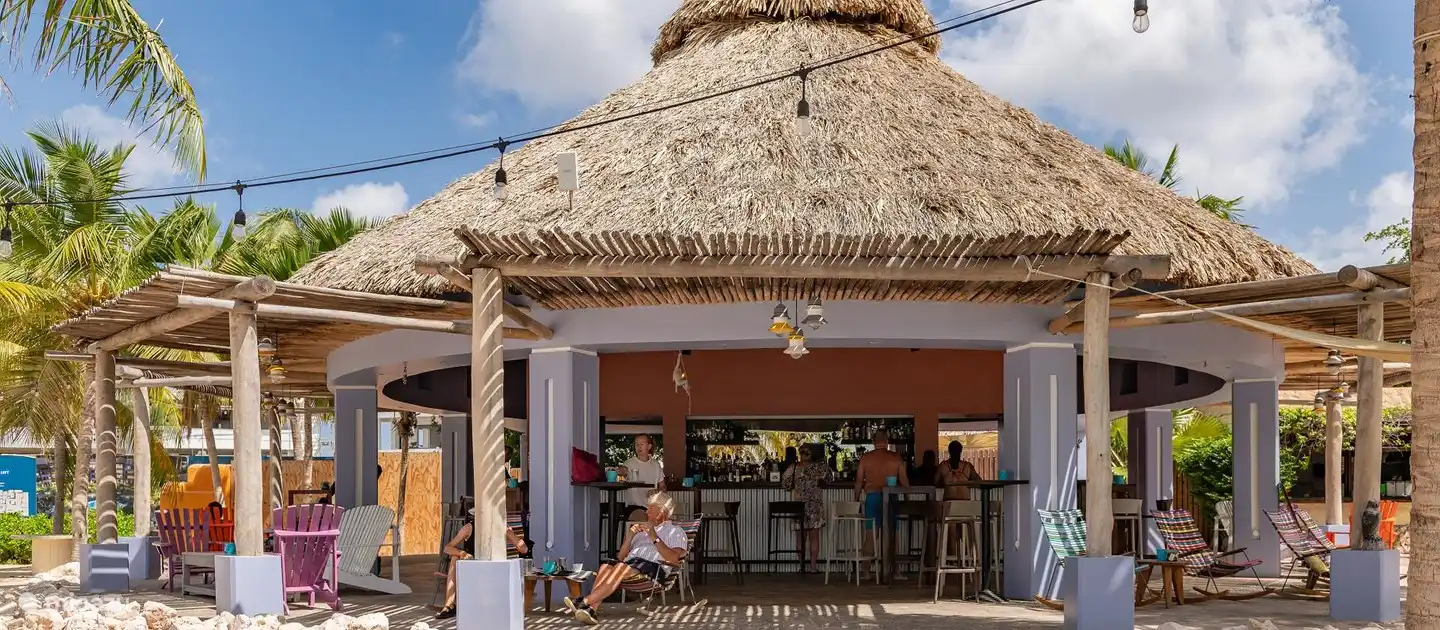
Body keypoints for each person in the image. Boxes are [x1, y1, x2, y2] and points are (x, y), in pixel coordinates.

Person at [564, 492, 687, 625]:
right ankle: (591, 610)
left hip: (654, 568)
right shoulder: (641, 531)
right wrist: (629, 536)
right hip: (631, 564)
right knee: (605, 567)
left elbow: (674, 558)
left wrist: (654, 537)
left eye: (651, 508)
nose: (646, 511)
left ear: (662, 510)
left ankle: (584, 601)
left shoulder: (676, 531)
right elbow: (621, 557)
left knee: (621, 567)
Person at [435, 508, 530, 619]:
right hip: (473, 567)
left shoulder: (500, 528)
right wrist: (461, 553)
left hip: (494, 568)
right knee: (454, 558)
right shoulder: (469, 528)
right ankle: (449, 605)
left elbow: (524, 549)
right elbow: (447, 548)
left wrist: (509, 533)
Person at [855, 430, 909, 577]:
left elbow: (859, 481)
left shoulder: (866, 458)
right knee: (892, 534)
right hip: (891, 498)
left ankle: (866, 571)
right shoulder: (896, 458)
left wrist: (856, 500)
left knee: (871, 535)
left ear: (873, 442)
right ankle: (895, 571)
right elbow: (904, 481)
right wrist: (907, 499)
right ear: (887, 442)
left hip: (872, 497)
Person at [781, 444, 826, 573]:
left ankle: (801, 566)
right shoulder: (819, 468)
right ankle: (813, 567)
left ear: (799, 454)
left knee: (800, 537)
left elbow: (785, 484)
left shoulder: (793, 468)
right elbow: (829, 479)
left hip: (798, 505)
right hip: (814, 505)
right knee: (814, 537)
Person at [618, 435, 664, 519]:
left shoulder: (656, 464)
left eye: (642, 444)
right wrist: (621, 471)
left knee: (665, 518)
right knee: (642, 519)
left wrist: (657, 491)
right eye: (637, 444)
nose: (639, 447)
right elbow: (622, 473)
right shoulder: (629, 463)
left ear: (649, 446)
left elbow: (663, 487)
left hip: (653, 507)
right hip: (634, 507)